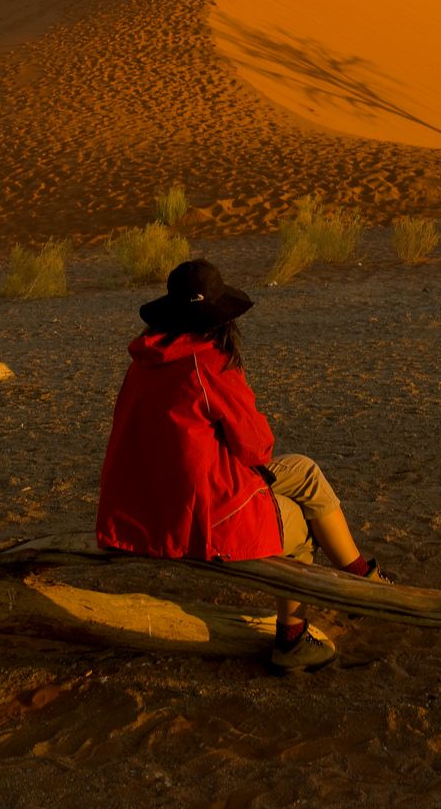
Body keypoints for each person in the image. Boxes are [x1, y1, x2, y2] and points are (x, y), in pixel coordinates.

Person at [96, 259, 392, 674]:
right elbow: (257, 448)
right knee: (298, 524)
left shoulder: (144, 362)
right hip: (198, 515)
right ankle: (294, 640)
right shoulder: (206, 363)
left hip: (146, 505)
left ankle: (362, 578)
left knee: (305, 471)